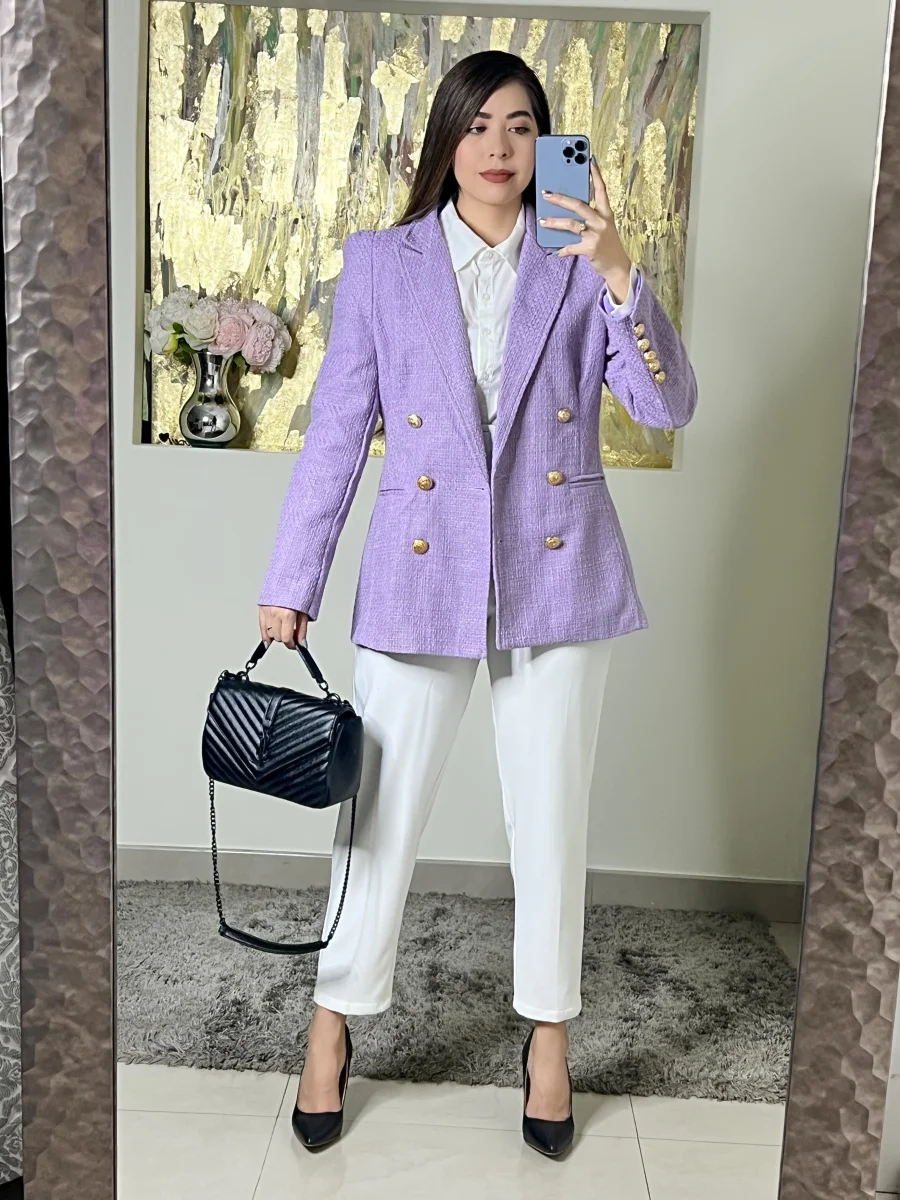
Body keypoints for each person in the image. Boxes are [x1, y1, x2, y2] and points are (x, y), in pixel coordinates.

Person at [257, 49, 697, 1158]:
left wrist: (618, 269)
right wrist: (292, 583)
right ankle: (330, 1028)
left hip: (560, 572)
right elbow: (337, 435)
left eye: (522, 126)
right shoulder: (383, 262)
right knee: (377, 816)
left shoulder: (577, 260)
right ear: (446, 140)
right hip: (421, 570)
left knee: (551, 820)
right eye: (479, 124)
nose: (500, 147)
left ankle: (548, 1043)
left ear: (547, 145)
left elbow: (667, 407)